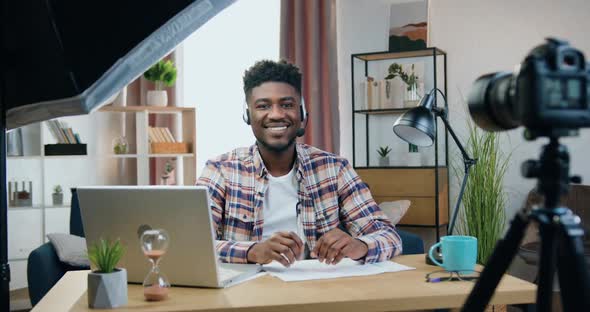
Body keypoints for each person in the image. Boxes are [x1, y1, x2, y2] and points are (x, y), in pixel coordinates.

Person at [197, 60, 402, 267]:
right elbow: (192, 243)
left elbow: (388, 237)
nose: (276, 114)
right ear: (248, 114)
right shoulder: (220, 170)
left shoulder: (334, 169)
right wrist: (253, 251)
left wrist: (360, 245)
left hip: (315, 289)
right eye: (263, 106)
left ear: (302, 113)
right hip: (245, 293)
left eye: (287, 105)